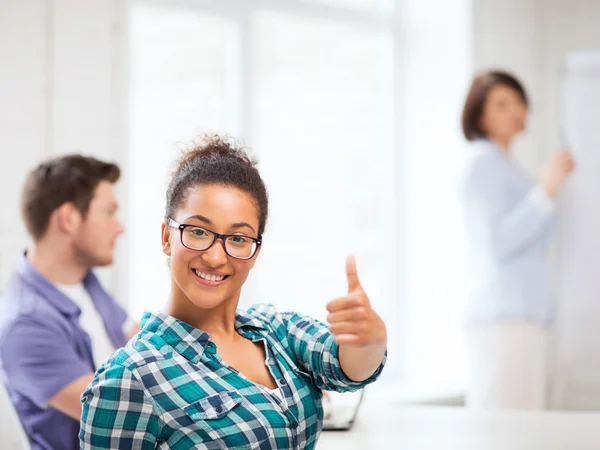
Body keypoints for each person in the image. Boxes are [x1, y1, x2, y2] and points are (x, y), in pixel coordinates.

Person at [79, 136, 387, 449]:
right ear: (166, 237)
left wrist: (369, 341)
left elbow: (348, 367)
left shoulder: (279, 333)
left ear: (255, 252)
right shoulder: (131, 377)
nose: (215, 257)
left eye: (238, 239)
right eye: (198, 232)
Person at [0, 154, 138, 450]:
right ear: (69, 218)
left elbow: (135, 338)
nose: (119, 227)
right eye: (110, 212)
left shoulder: (84, 280)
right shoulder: (25, 325)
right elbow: (117, 416)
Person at [459, 70, 575, 410]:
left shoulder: (508, 166)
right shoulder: (482, 163)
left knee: (520, 426)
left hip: (522, 315)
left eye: (519, 101)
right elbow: (496, 242)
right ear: (480, 114)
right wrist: (546, 190)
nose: (516, 111)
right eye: (501, 103)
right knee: (501, 425)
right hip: (503, 316)